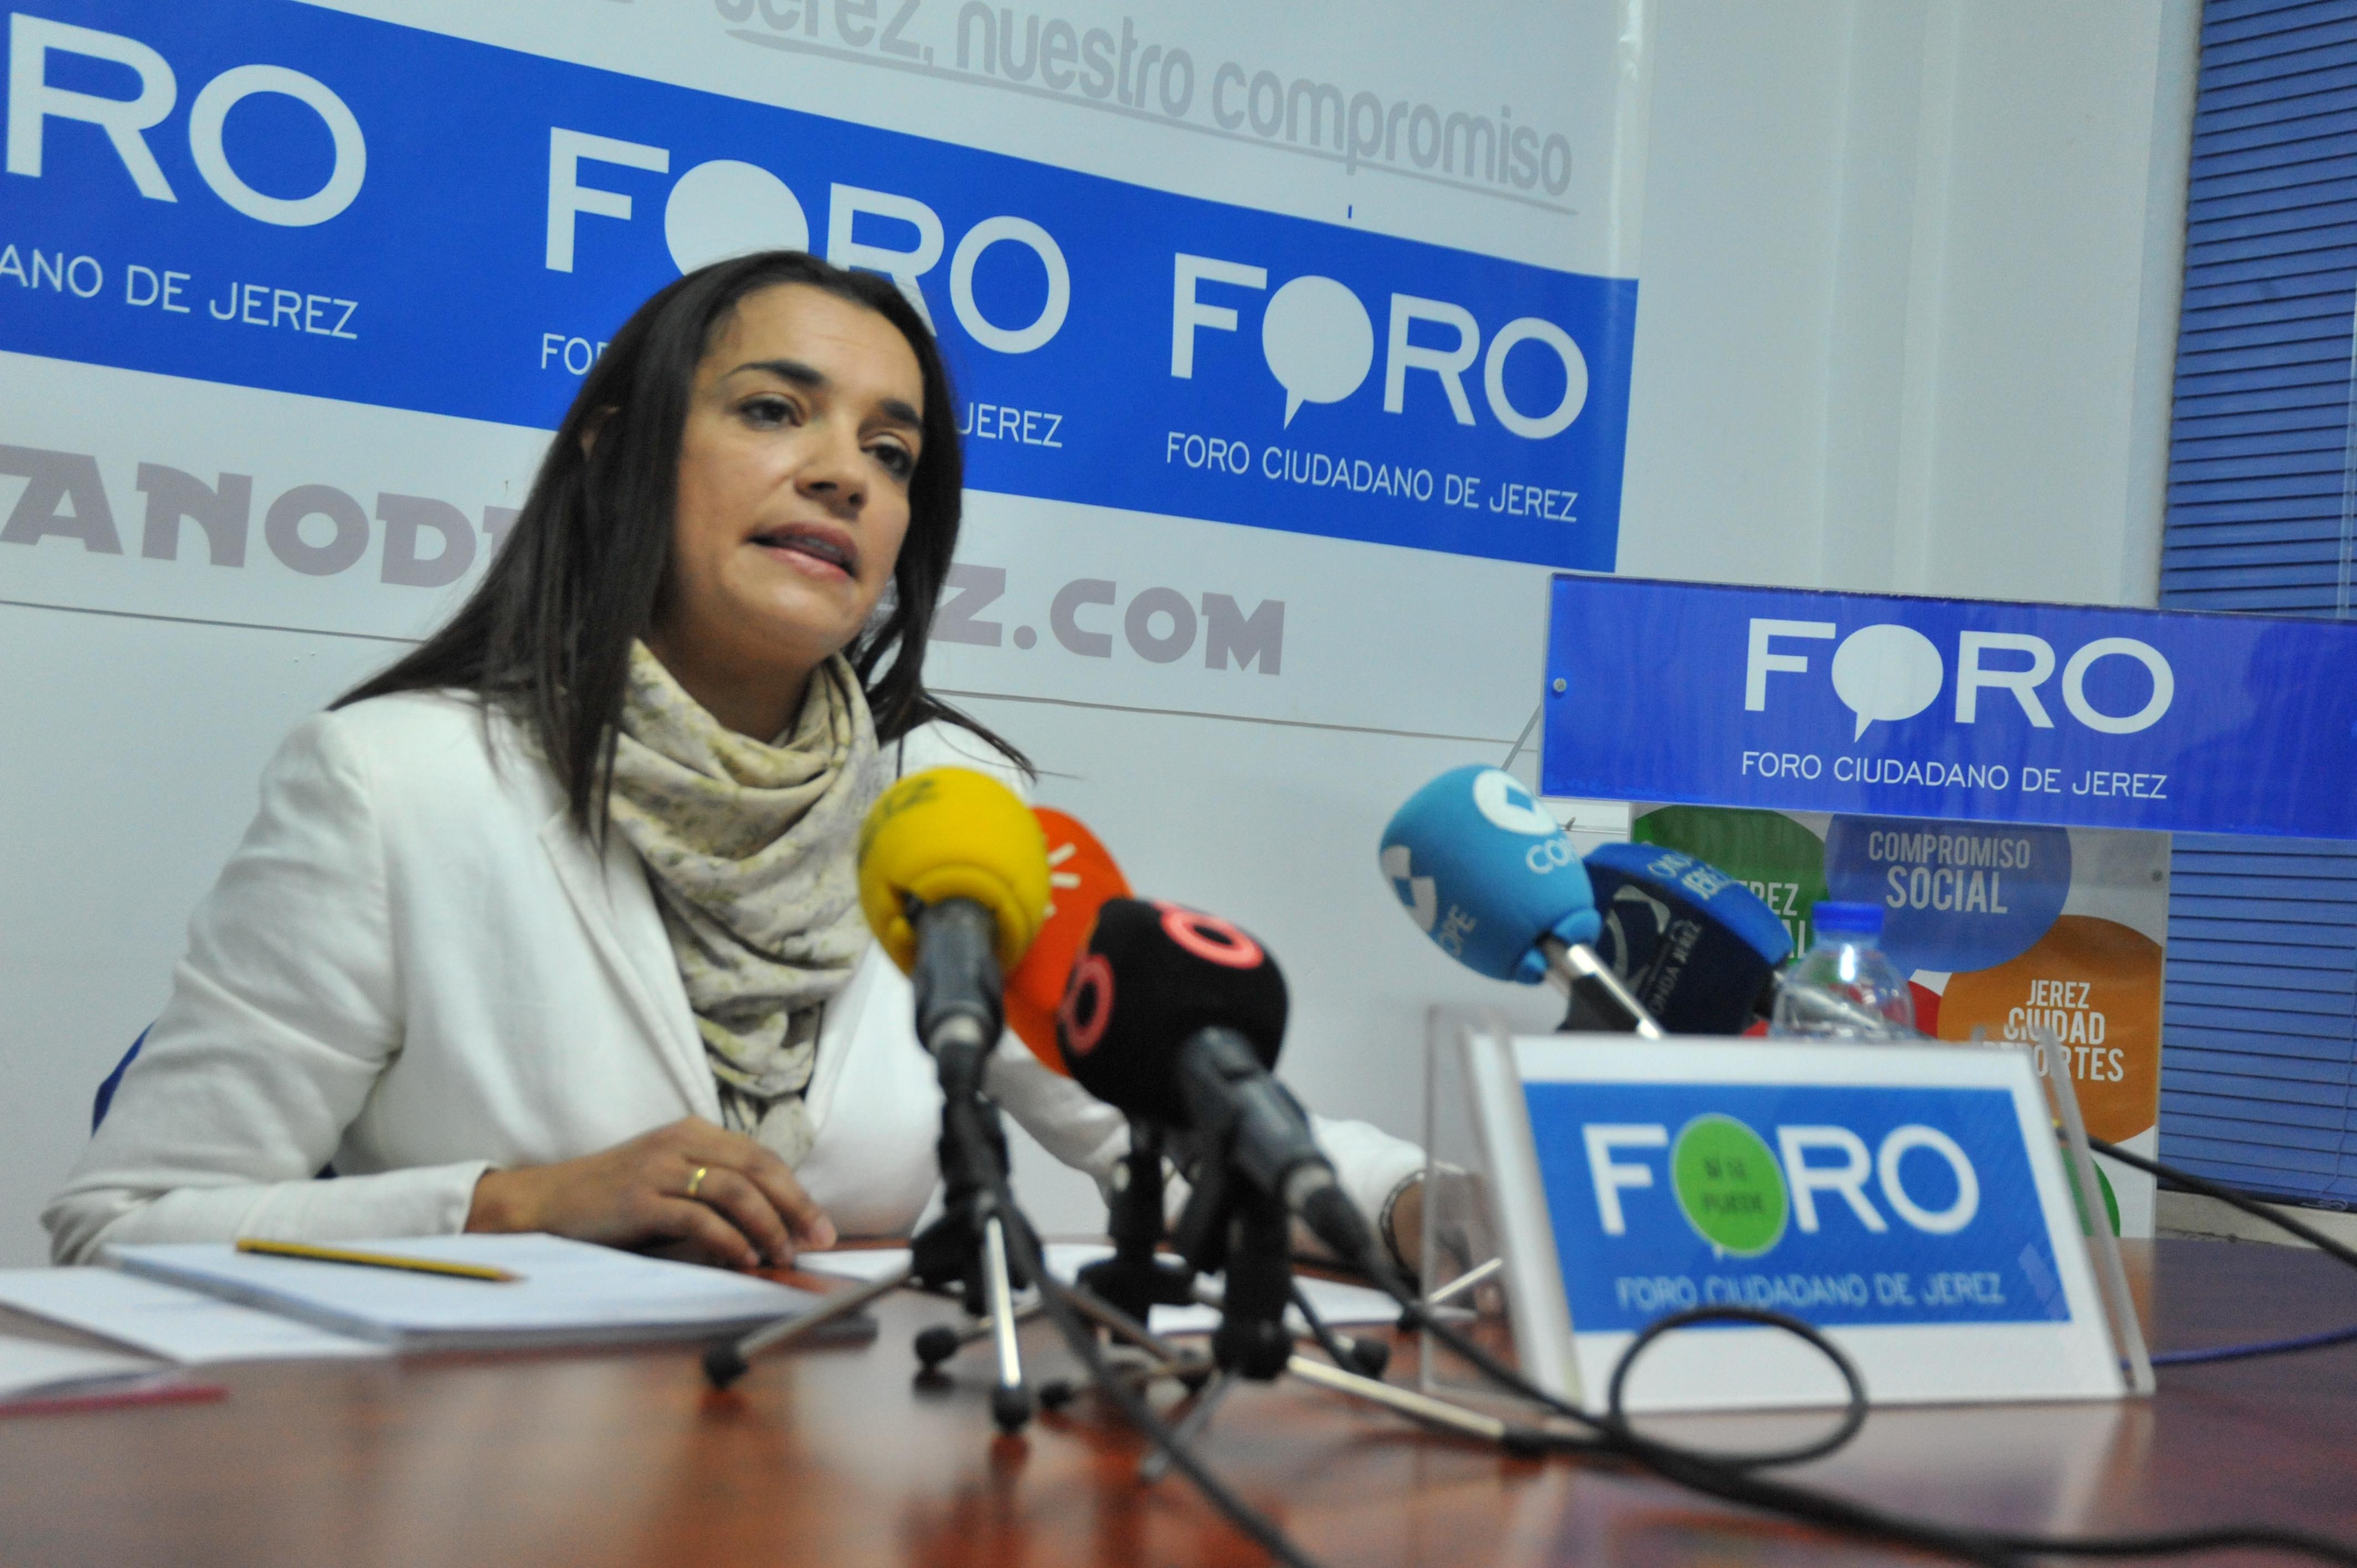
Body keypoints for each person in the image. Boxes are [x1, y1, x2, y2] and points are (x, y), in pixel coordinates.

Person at [45, 251, 1425, 1273]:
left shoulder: (949, 803)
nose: (845, 475)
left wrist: (1427, 1210)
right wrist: (517, 1204)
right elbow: (122, 1226)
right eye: (775, 412)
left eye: (892, 453)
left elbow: (1162, 1130)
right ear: (617, 455)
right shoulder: (393, 784)